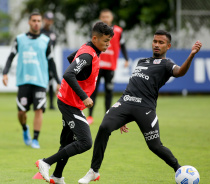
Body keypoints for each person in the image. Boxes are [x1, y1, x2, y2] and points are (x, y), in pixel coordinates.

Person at [78, 30, 202, 183]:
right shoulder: (141, 61)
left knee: (155, 146)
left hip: (145, 108)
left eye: (161, 42)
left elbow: (180, 72)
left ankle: (179, 169)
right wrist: (121, 116)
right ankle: (93, 171)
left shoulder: (167, 65)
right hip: (125, 102)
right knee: (104, 127)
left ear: (168, 46)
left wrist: (191, 55)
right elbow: (133, 85)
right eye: (155, 41)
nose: (156, 45)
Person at [35, 22, 114, 184]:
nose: (108, 44)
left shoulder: (89, 49)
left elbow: (72, 58)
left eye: (109, 41)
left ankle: (57, 176)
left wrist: (82, 75)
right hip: (69, 103)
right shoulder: (88, 55)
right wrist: (84, 96)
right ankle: (45, 162)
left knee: (66, 142)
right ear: (95, 38)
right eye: (106, 41)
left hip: (70, 101)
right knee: (85, 142)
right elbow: (69, 74)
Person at [2, 12, 60, 149]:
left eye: (39, 21)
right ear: (29, 22)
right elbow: (11, 56)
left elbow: (52, 62)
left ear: (41, 22)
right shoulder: (19, 39)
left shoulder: (46, 41)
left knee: (38, 110)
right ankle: (24, 128)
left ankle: (35, 139)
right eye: (34, 20)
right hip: (23, 81)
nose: (36, 23)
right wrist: (5, 73)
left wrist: (58, 81)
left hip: (40, 81)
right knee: (21, 112)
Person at [87, 9, 129, 125]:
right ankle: (90, 116)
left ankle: (107, 116)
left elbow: (123, 45)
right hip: (97, 65)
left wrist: (126, 58)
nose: (105, 18)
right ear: (100, 18)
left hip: (110, 66)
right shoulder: (96, 30)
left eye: (107, 16)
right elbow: (89, 44)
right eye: (103, 16)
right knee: (93, 91)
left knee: (109, 92)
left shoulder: (119, 31)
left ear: (111, 18)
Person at [41, 11, 61, 110]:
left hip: (50, 60)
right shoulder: (40, 32)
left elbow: (54, 46)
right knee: (41, 82)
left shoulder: (53, 34)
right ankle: (40, 102)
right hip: (41, 61)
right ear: (44, 19)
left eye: (50, 20)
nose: (48, 22)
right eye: (47, 19)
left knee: (51, 82)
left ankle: (51, 104)